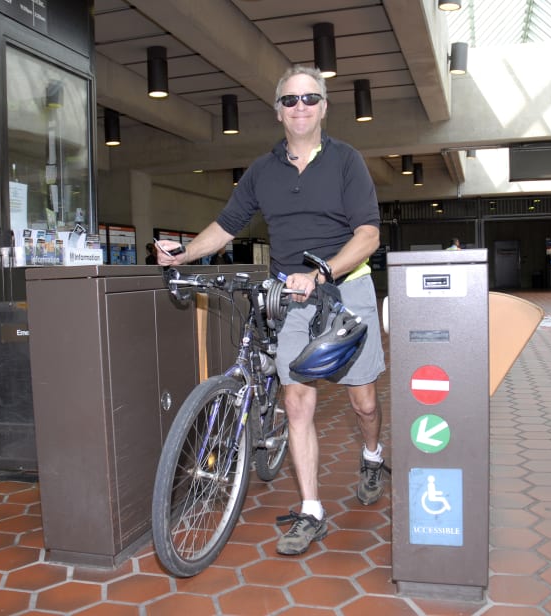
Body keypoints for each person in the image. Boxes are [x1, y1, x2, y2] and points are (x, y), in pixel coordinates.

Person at [156, 65, 385, 556]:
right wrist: (185, 255)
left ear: (324, 106)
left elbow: (368, 234)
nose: (299, 107)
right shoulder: (262, 171)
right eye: (290, 100)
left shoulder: (347, 161)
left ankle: (372, 454)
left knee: (363, 401)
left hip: (348, 290)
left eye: (309, 98)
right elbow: (227, 224)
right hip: (292, 297)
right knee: (297, 402)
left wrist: (322, 273)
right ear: (277, 110)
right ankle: (311, 511)